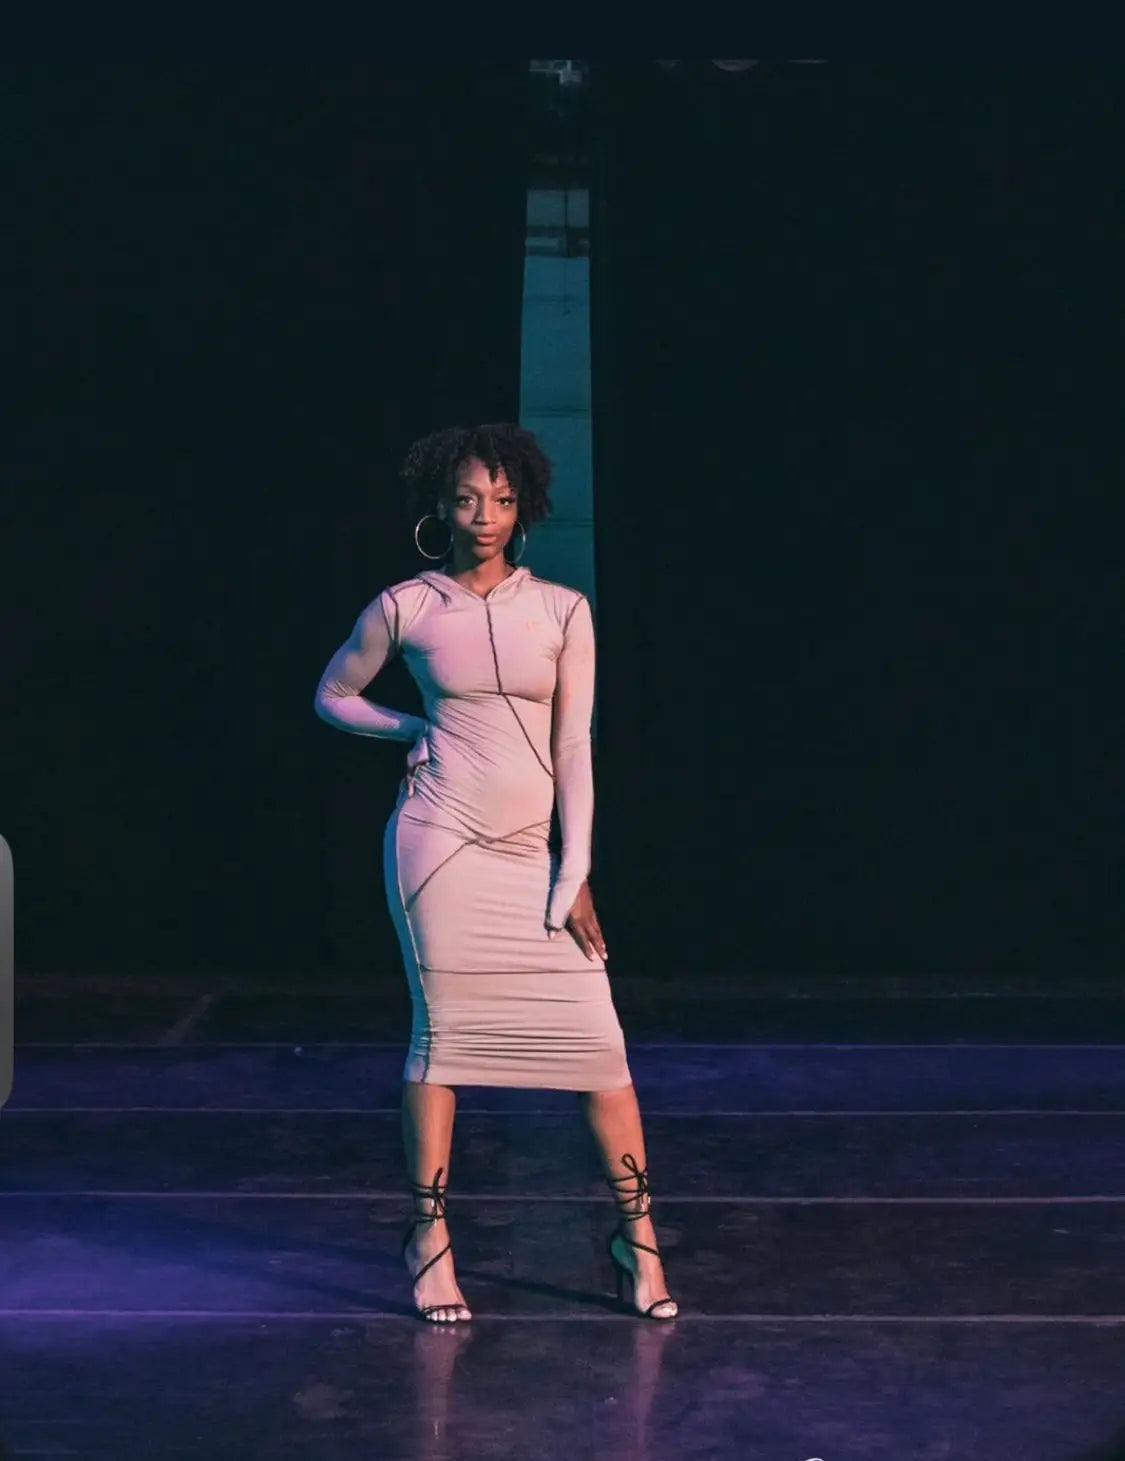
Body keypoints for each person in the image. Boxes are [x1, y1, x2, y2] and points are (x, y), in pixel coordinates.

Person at [313, 423, 678, 1323]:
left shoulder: (560, 610)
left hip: (526, 852)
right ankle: (429, 1240)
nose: (485, 515)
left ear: (525, 509)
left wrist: (573, 867)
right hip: (437, 844)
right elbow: (333, 695)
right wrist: (413, 729)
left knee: (599, 1043)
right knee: (440, 1037)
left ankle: (637, 1239)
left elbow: (573, 746)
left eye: (503, 500)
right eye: (469, 499)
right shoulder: (407, 605)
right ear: (441, 507)